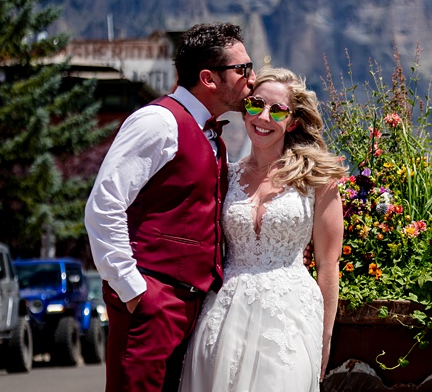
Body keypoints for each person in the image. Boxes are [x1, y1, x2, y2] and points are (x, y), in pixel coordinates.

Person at [85, 22, 256, 392]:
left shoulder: (212, 136)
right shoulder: (158, 122)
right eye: (243, 69)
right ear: (209, 78)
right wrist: (135, 291)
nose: (252, 78)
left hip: (190, 305)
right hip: (153, 298)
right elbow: (104, 205)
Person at [179, 67, 344, 392]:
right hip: (224, 314)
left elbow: (328, 263)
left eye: (277, 110)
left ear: (293, 120)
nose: (263, 117)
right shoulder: (223, 175)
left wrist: (326, 336)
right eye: (255, 105)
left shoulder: (318, 179)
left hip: (289, 316)